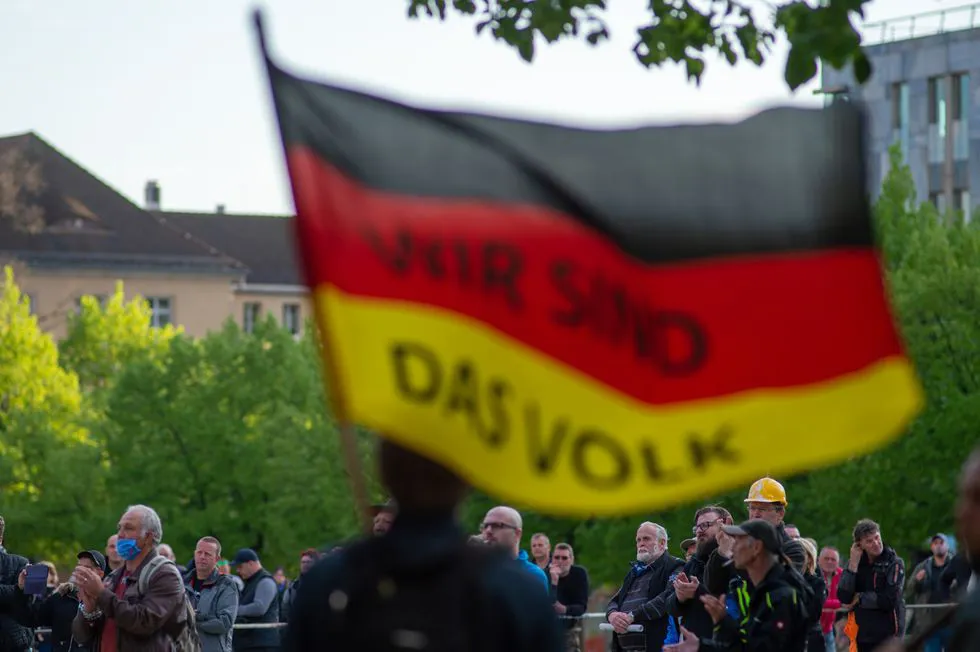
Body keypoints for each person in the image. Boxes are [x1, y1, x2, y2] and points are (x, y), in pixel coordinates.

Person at [284, 438, 562, 651]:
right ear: (465, 478)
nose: (489, 531)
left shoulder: (329, 583)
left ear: (383, 472)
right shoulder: (517, 593)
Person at [664, 519, 809, 652]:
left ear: (757, 547)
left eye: (738, 541)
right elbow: (747, 645)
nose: (732, 548)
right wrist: (704, 642)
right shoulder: (760, 590)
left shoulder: (781, 596)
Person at [71, 504, 189, 652]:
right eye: (119, 528)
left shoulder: (165, 575)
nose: (120, 534)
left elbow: (144, 622)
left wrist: (101, 594)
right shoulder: (114, 577)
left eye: (128, 528)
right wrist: (88, 611)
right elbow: (81, 637)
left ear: (148, 537)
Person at [836, 519, 905, 652]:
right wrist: (853, 565)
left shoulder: (894, 563)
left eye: (877, 538)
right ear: (859, 545)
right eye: (869, 541)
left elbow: (889, 600)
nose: (875, 543)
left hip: (889, 634)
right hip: (863, 633)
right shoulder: (856, 563)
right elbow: (844, 596)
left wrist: (860, 598)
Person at [186, 536, 238, 652]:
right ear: (194, 554)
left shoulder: (227, 585)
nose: (202, 557)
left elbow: (224, 623)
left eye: (207, 554)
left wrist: (194, 620)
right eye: (199, 552)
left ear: (217, 558)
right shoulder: (183, 583)